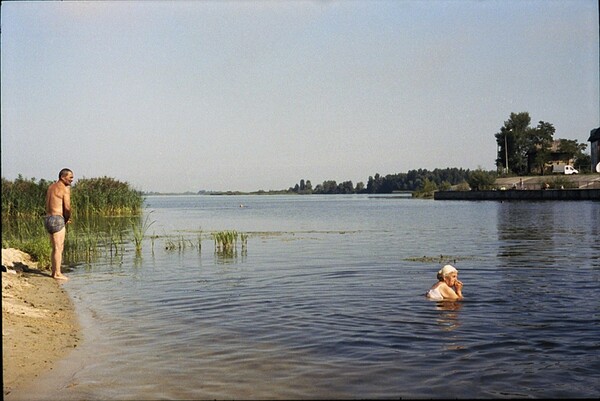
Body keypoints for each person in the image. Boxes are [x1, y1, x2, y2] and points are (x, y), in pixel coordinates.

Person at [44, 168, 74, 280]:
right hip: (57, 218)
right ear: (63, 177)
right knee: (59, 247)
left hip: (48, 218)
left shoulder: (51, 187)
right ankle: (57, 273)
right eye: (70, 177)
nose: (72, 180)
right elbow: (67, 207)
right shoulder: (65, 189)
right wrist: (67, 218)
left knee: (55, 247)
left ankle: (54, 272)